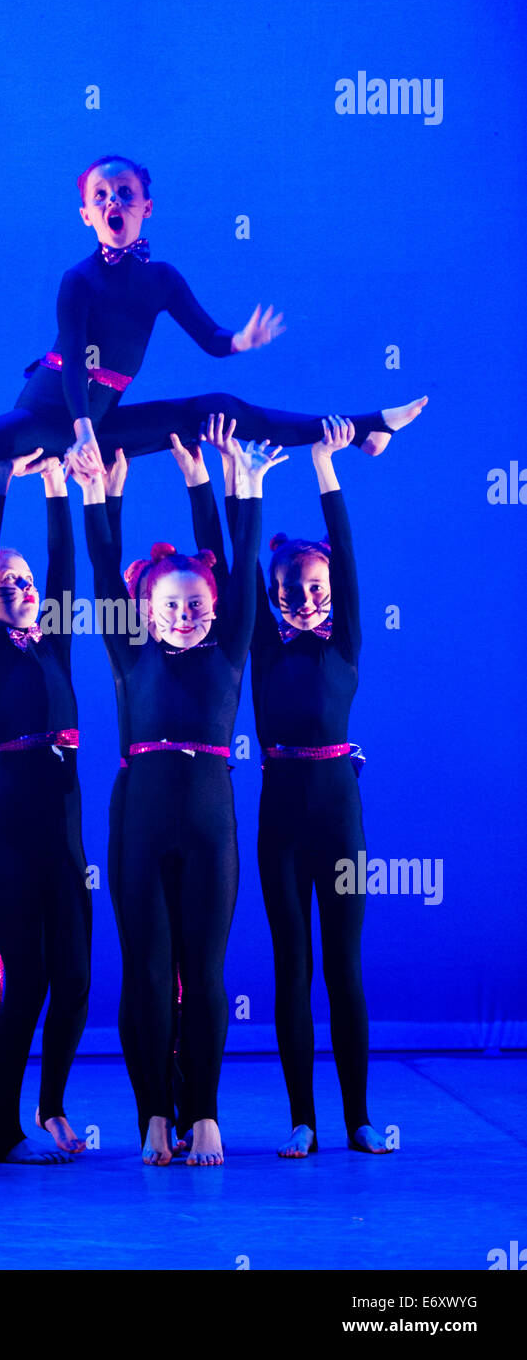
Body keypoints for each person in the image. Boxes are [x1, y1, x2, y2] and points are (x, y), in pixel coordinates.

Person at [0, 155, 426, 542]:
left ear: (146, 207)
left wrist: (240, 341)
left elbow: (211, 342)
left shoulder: (161, 279)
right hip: (51, 411)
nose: (112, 201)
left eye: (124, 192)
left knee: (217, 406)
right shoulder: (77, 279)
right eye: (100, 195)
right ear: (85, 214)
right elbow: (74, 359)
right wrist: (78, 437)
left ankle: (363, 431)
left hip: (95, 426)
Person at [73, 433, 285, 1165]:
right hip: (137, 816)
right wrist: (102, 493)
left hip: (208, 823)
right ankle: (152, 1117)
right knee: (147, 971)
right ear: (146, 609)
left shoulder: (230, 651)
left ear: (213, 609)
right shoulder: (130, 652)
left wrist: (225, 485)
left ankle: (204, 1115)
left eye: (196, 604)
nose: (183, 615)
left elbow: (239, 561)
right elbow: (104, 571)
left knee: (206, 970)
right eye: (169, 605)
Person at [243, 414, 392, 1156]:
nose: (301, 598)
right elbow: (243, 572)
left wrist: (325, 466)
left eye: (312, 587)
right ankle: (302, 1118)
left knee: (343, 965)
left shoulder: (344, 644)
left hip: (338, 816)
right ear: (271, 596)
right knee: (290, 965)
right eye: (287, 590)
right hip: (280, 818)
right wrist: (254, 488)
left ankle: (357, 1117)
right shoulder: (264, 650)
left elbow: (350, 559)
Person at [0, 449, 91, 1164]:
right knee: (28, 976)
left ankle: (51, 1107)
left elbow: (64, 566)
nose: (22, 589)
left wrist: (59, 488)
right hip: (5, 823)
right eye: (5, 583)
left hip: (61, 825)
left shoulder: (55, 648)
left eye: (24, 581)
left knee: (74, 979)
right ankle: (0, 1131)